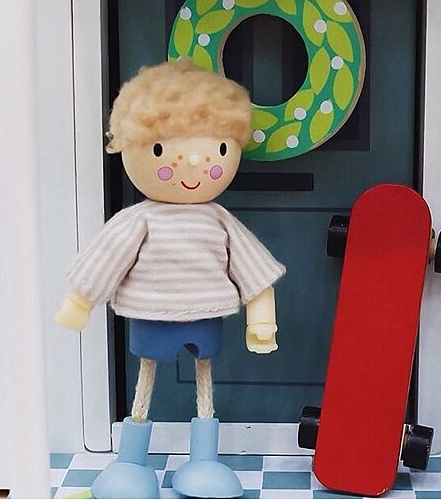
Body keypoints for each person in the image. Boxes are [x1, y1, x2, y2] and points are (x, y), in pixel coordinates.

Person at [55, 58, 286, 499]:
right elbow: (106, 258)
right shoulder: (139, 220)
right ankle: (130, 462)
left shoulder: (219, 220)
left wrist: (262, 319)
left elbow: (254, 269)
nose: (195, 164)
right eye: (161, 151)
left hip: (205, 315)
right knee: (145, 380)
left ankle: (204, 460)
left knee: (204, 381)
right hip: (152, 314)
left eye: (218, 151)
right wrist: (80, 301)